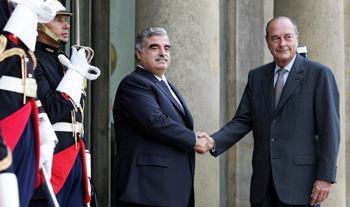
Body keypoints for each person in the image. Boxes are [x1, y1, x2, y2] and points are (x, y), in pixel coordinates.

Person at [197, 16, 340, 207]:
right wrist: (213, 141)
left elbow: (330, 130)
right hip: (263, 186)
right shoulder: (257, 76)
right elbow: (242, 120)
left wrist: (325, 177)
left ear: (297, 38)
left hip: (302, 186)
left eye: (288, 37)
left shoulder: (319, 74)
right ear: (267, 42)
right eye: (275, 38)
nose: (282, 44)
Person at [112, 27, 208, 207]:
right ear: (138, 53)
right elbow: (155, 122)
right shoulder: (134, 83)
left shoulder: (166, 85)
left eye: (167, 48)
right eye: (154, 48)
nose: (162, 53)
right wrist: (194, 139)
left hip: (168, 190)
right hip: (146, 190)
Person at [28, 1, 99, 206]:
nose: (66, 25)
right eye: (58, 20)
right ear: (39, 24)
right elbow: (52, 109)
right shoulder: (32, 60)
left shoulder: (65, 61)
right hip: (52, 156)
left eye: (65, 20)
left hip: (76, 155)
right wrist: (75, 74)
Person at [0, 0, 57, 206]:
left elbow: (27, 79)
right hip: (6, 118)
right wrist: (23, 15)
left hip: (24, 119)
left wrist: (43, 129)